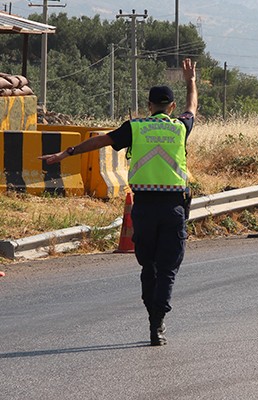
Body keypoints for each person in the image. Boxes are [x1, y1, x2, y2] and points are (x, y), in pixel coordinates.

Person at [40, 58, 198, 346]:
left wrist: (66, 153)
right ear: (171, 108)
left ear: (149, 106)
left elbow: (99, 141)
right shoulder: (180, 127)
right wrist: (191, 81)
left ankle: (152, 314)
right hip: (173, 207)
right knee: (168, 269)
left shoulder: (134, 128)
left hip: (144, 208)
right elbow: (193, 108)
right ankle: (157, 323)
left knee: (147, 266)